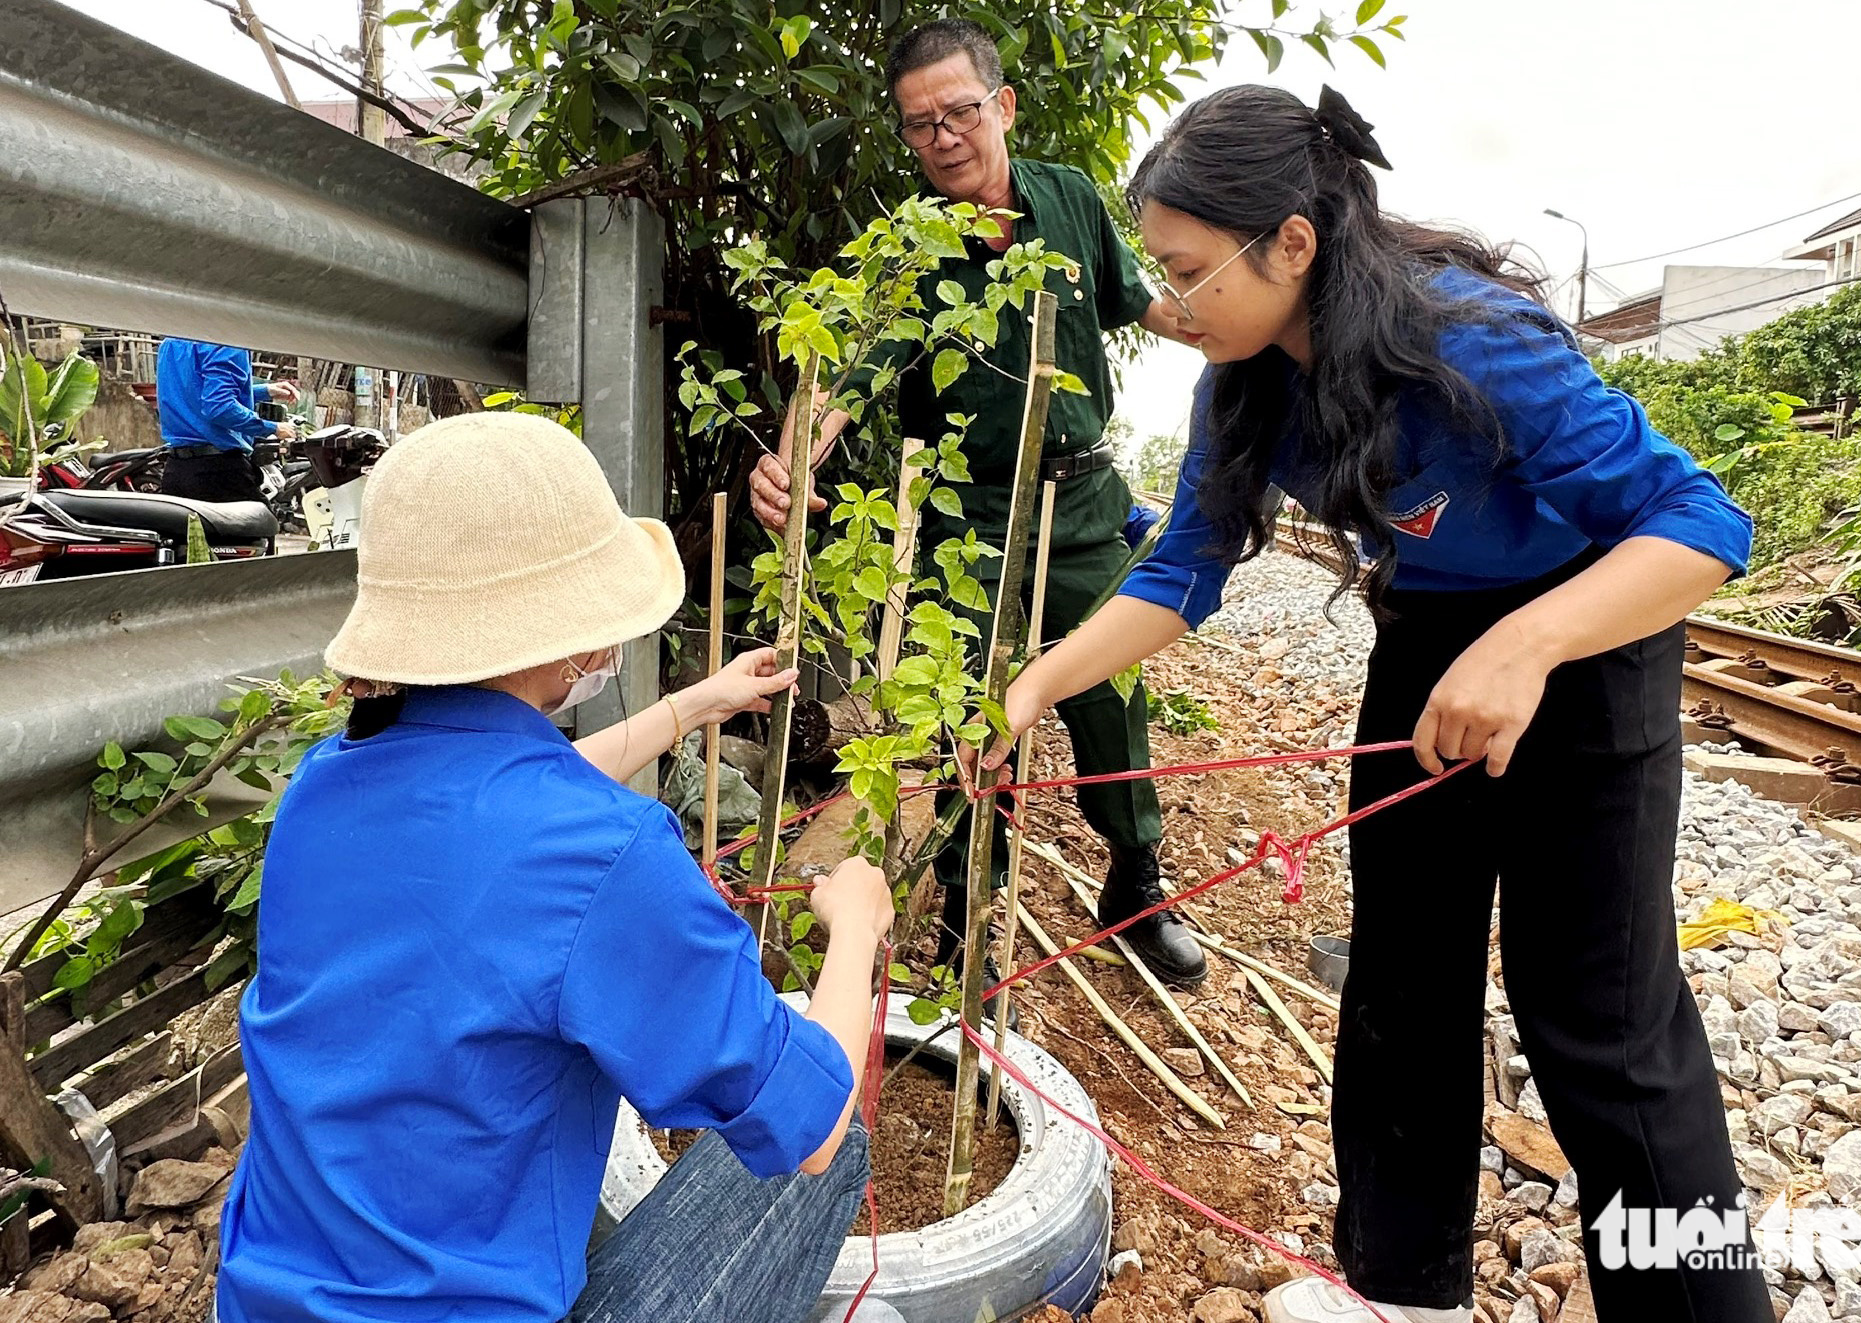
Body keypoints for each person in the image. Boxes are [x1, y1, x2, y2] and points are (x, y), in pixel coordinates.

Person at [976, 86, 1769, 1323]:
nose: (1166, 305)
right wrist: (1031, 687)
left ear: (1292, 240)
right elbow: (1183, 568)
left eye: (1185, 272)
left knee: (1601, 1025)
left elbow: (1705, 524)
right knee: (1402, 981)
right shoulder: (1242, 384)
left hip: (1588, 634)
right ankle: (1406, 1290)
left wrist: (1531, 643)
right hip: (1434, 648)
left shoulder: (1471, 340)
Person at [214, 412, 895, 1323]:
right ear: (562, 634)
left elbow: (510, 799)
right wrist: (854, 928)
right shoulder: (608, 855)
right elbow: (806, 1127)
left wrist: (692, 704)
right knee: (835, 1137)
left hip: (264, 1299)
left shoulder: (323, 786)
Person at [748, 18, 1207, 988]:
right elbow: (838, 381)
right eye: (920, 126)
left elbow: (1143, 303)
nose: (943, 137)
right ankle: (967, 914)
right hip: (967, 522)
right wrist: (792, 460)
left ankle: (1134, 881)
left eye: (959, 111)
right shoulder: (906, 254)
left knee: (1110, 704)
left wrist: (1227, 327)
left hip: (1084, 503)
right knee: (968, 716)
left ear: (1000, 106)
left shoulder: (1072, 202)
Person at [155, 338, 297, 503]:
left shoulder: (171, 341)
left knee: (183, 529)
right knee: (263, 525)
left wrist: (266, 391)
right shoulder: (226, 341)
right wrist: (272, 428)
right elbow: (220, 407)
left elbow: (194, 393)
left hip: (176, 470)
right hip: (218, 474)